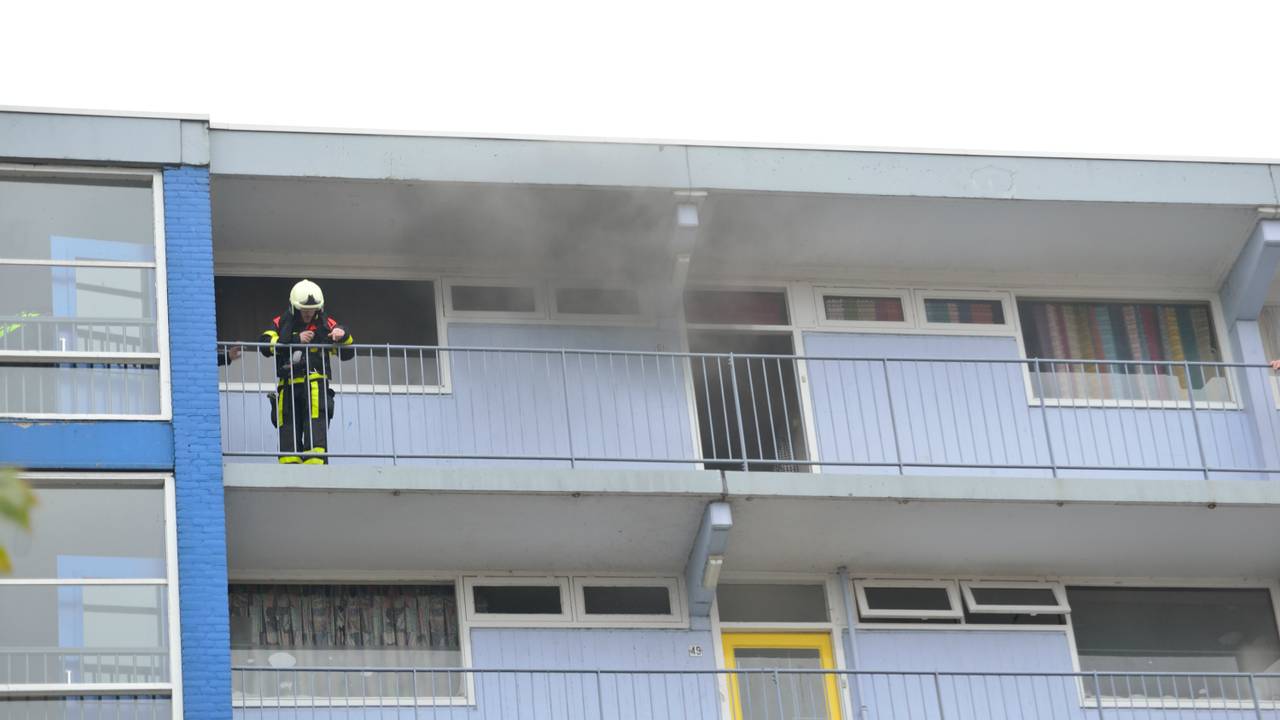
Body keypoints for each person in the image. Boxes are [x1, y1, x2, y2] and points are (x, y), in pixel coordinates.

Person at [259, 280, 354, 464]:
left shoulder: (326, 324)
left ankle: (315, 463)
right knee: (288, 425)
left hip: (316, 385)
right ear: (294, 307)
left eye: (312, 309)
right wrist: (295, 340)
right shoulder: (281, 323)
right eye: (304, 310)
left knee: (316, 423)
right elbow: (264, 344)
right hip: (289, 385)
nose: (309, 313)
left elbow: (348, 353)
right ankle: (290, 466)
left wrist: (342, 335)